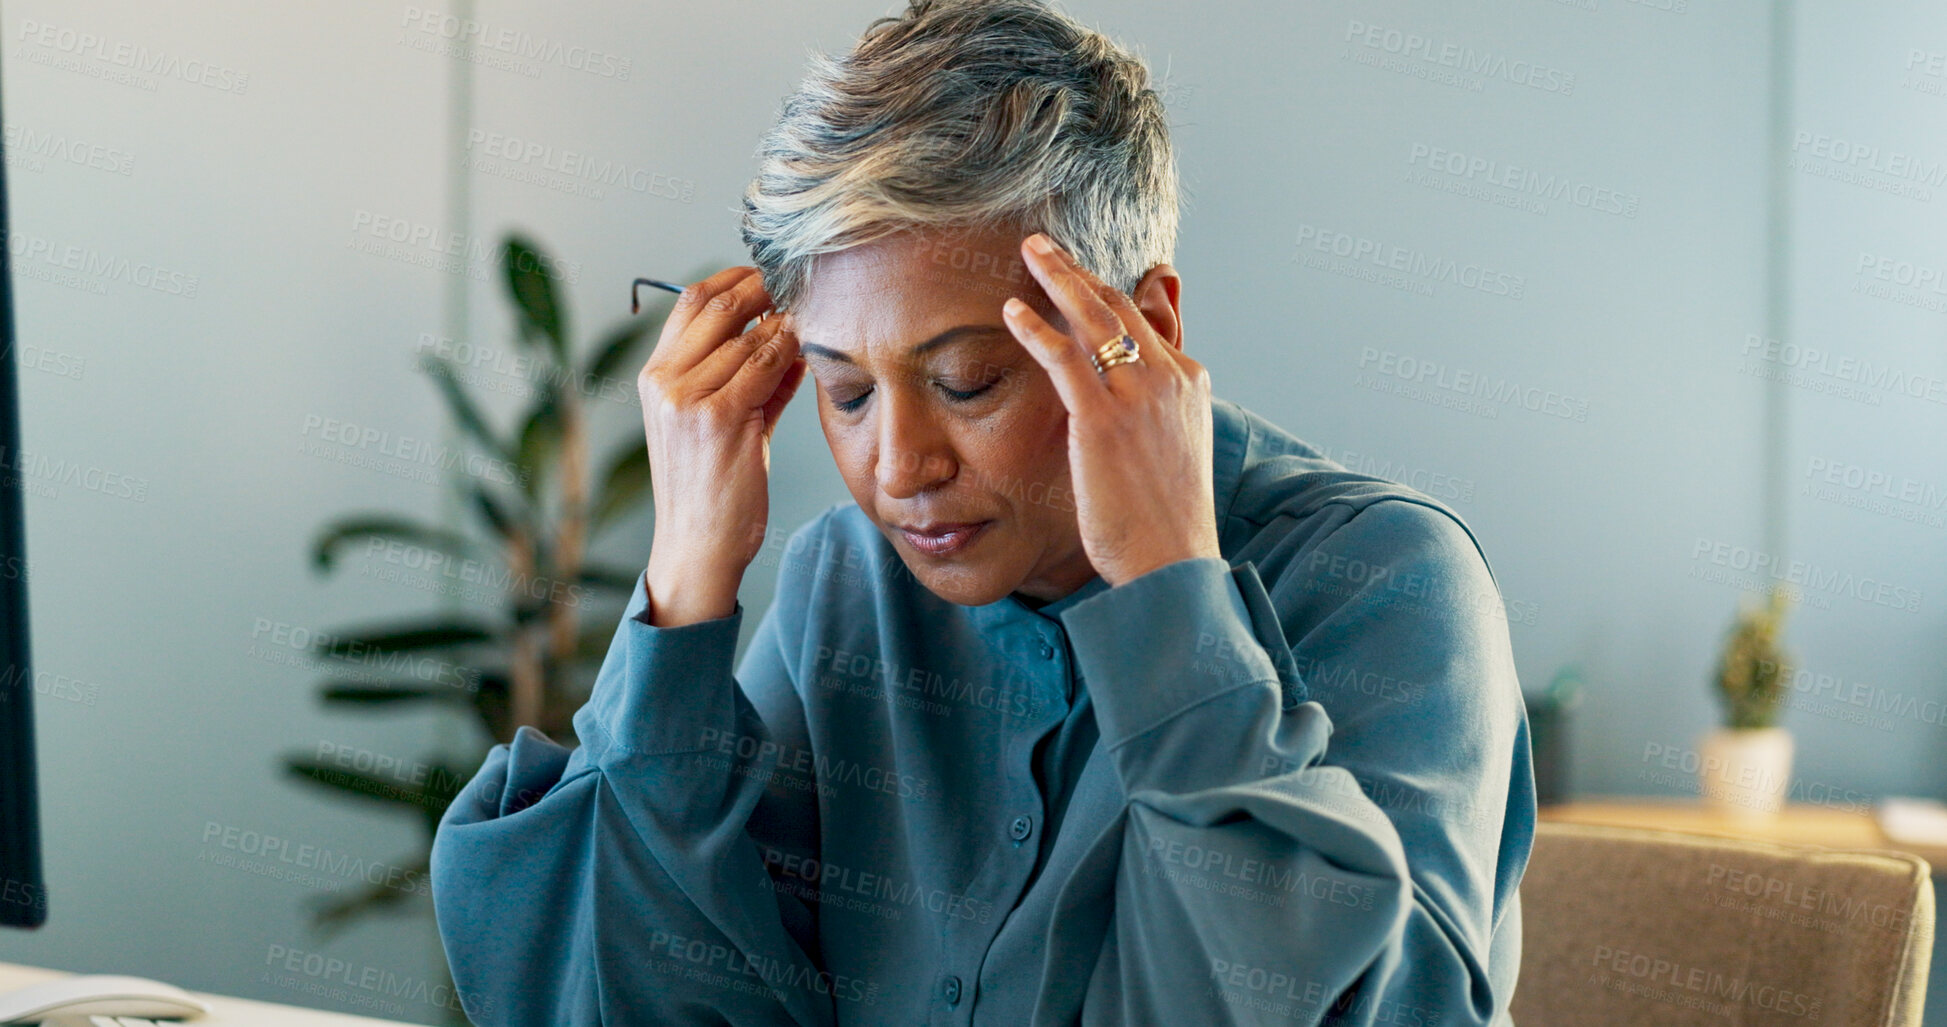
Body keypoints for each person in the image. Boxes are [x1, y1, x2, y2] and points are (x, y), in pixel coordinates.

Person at [428, 1, 1535, 1023]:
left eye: (966, 381)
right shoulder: (850, 583)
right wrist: (684, 587)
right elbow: (639, 997)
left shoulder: (1390, 581)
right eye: (845, 391)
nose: (899, 465)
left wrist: (1168, 593)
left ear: (1141, 324)